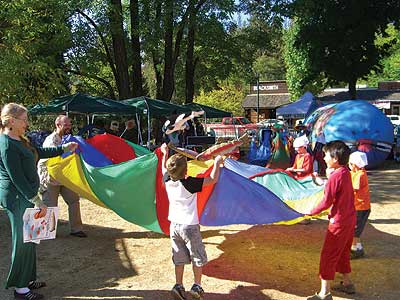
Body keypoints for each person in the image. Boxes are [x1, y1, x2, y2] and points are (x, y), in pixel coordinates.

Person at [0, 103, 78, 300]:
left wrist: (63, 148)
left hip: (25, 195)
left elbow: (38, 152)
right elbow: (16, 177)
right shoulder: (7, 144)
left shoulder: (20, 138)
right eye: (24, 120)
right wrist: (37, 200)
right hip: (18, 197)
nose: (27, 123)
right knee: (22, 241)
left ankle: (27, 279)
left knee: (31, 239)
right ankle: (20, 289)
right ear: (11, 121)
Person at [160, 143, 223, 300]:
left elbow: (163, 168)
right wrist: (217, 163)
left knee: (179, 257)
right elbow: (213, 179)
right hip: (190, 226)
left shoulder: (167, 180)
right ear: (186, 171)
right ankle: (197, 286)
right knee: (197, 256)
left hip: (174, 225)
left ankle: (178, 285)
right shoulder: (190, 184)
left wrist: (164, 153)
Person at [306, 141, 356, 300]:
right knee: (343, 252)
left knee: (329, 254)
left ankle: (324, 293)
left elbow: (326, 201)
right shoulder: (345, 172)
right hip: (349, 219)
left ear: (334, 158)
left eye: (326, 154)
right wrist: (328, 177)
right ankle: (348, 284)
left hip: (339, 222)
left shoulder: (336, 176)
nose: (324, 156)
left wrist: (310, 212)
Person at [37, 115, 87, 238]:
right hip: (50, 178)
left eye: (70, 125)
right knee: (50, 205)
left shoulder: (68, 138)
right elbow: (53, 159)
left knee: (74, 200)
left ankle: (76, 229)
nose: (69, 128)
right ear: (58, 125)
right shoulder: (51, 140)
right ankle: (48, 231)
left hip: (65, 177)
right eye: (66, 125)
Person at [348, 151, 370, 259]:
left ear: (355, 164)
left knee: (354, 231)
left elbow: (353, 189)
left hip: (360, 207)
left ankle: (355, 250)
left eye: (350, 163)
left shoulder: (360, 175)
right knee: (354, 229)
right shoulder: (355, 173)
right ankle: (358, 248)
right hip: (357, 206)